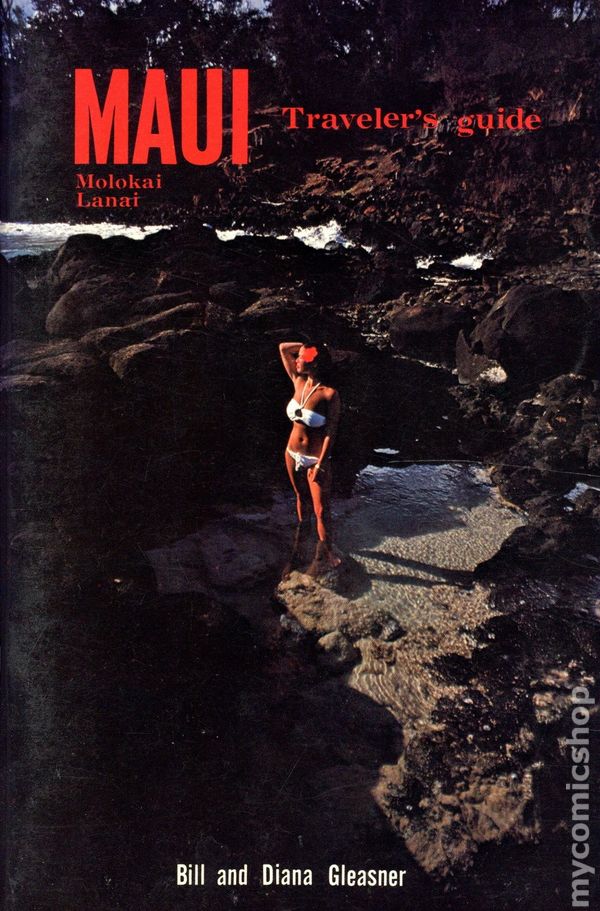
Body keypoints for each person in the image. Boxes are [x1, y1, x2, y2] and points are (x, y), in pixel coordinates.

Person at [279, 340, 341, 567]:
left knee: (321, 510)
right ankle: (302, 537)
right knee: (300, 497)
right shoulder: (298, 381)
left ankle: (327, 551)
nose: (297, 359)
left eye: (302, 357)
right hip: (291, 453)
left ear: (314, 363)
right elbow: (283, 348)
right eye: (298, 356)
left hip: (315, 459)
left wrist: (321, 463)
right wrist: (308, 345)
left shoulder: (329, 394)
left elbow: (331, 432)